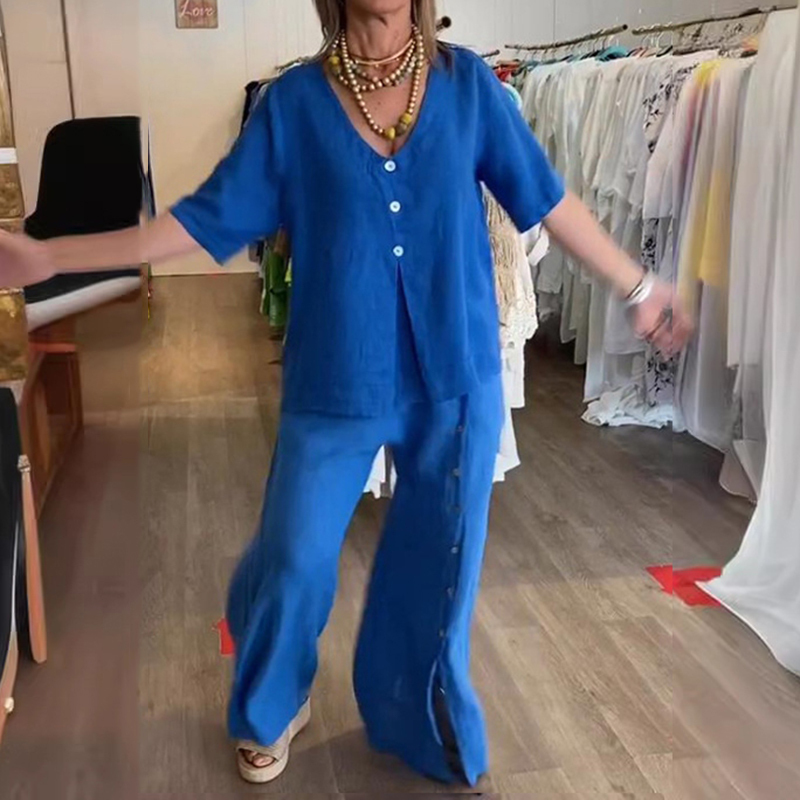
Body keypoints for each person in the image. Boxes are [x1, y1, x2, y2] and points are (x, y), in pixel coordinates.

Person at [0, 0, 692, 787]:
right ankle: (274, 698)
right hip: (336, 372)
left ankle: (417, 714)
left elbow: (547, 198)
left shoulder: (470, 88)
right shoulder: (293, 104)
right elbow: (203, 220)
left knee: (438, 563)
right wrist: (53, 256)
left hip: (455, 372)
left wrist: (638, 285)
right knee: (293, 554)